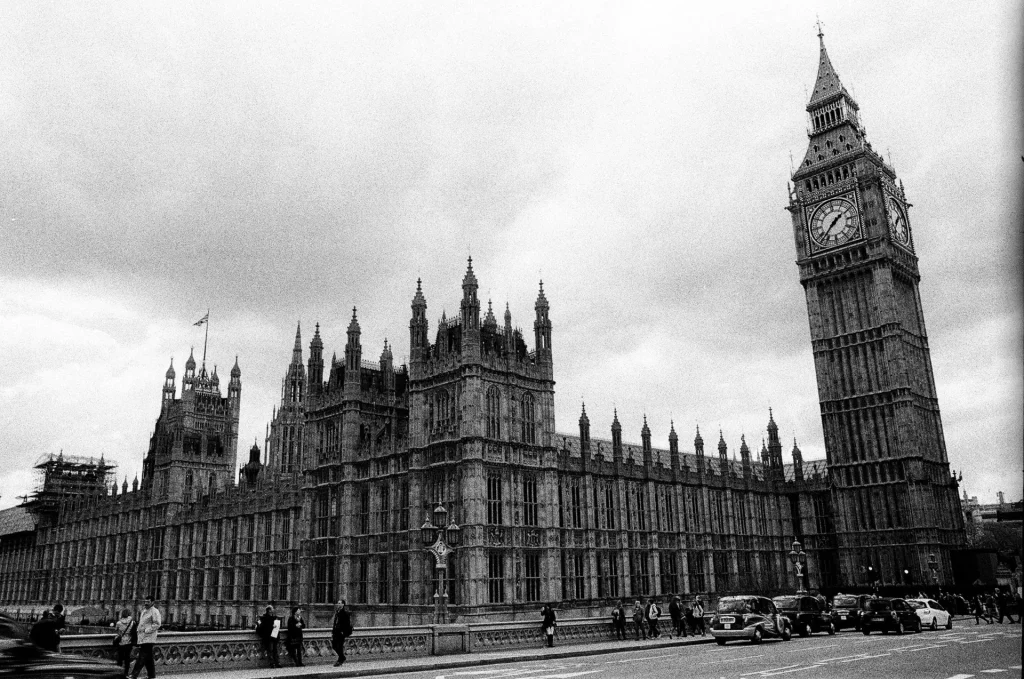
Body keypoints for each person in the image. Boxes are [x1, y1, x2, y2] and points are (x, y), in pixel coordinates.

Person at [130, 596, 161, 679]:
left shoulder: (155, 611)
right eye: (145, 601)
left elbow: (157, 624)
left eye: (148, 601)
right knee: (149, 657)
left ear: (152, 602)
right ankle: (152, 675)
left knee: (142, 656)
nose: (146, 603)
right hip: (143, 637)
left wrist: (147, 630)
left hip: (149, 637)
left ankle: (134, 674)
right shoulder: (144, 610)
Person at [112, 608, 137, 677]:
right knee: (127, 658)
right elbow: (134, 632)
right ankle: (126, 673)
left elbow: (116, 630)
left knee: (120, 658)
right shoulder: (133, 622)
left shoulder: (119, 623)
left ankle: (118, 673)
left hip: (121, 642)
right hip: (129, 642)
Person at [331, 599, 353, 666]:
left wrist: (343, 632)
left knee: (339, 646)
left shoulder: (345, 613)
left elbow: (347, 623)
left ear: (343, 604)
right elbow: (335, 623)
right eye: (338, 603)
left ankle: (340, 660)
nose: (338, 604)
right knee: (334, 645)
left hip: (340, 633)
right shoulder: (337, 612)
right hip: (335, 632)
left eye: (340, 603)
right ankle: (342, 657)